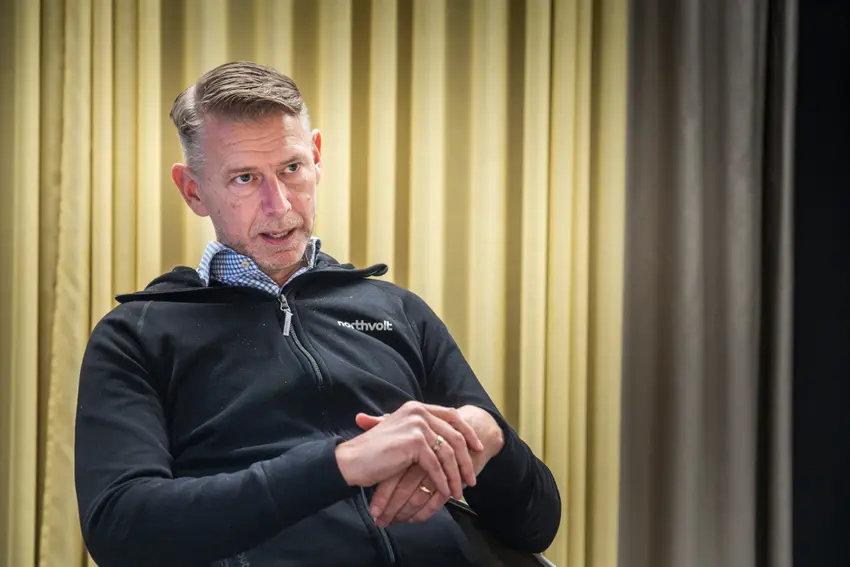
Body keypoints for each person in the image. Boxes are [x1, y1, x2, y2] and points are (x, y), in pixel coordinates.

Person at [74, 61, 561, 567]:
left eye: (292, 168)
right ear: (193, 190)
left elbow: (536, 524)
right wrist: (342, 464)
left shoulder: (398, 310)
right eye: (245, 178)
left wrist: (492, 440)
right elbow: (121, 530)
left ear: (317, 157)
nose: (279, 204)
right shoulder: (137, 336)